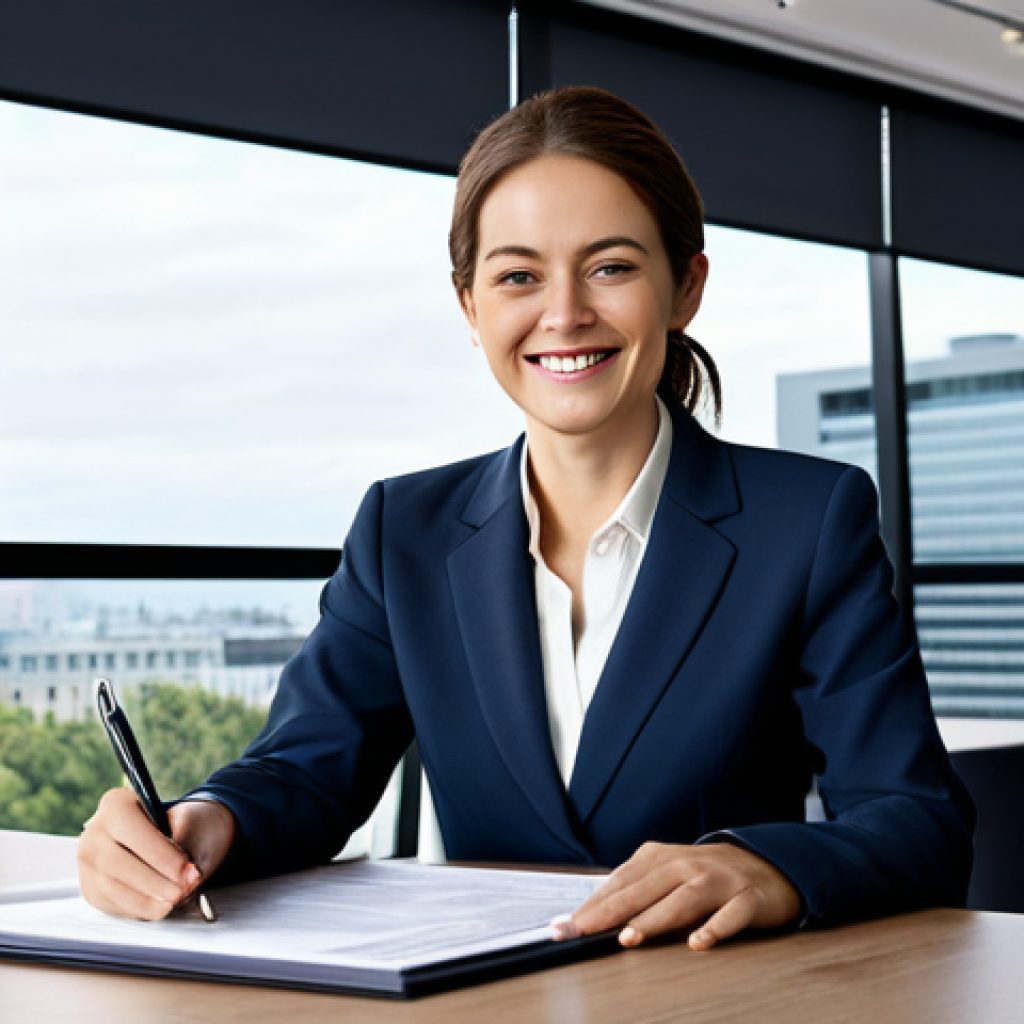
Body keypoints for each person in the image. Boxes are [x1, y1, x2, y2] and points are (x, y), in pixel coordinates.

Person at [78, 86, 974, 951]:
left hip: (713, 996)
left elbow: (919, 820)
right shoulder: (405, 529)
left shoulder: (808, 520)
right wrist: (202, 824)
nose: (565, 313)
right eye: (518, 276)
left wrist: (766, 867)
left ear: (686, 287)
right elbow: (306, 770)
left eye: (612, 267)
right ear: (471, 306)